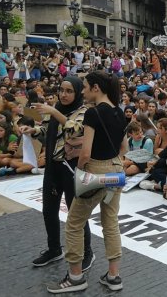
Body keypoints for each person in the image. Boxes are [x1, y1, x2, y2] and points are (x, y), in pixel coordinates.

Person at [47, 71, 127, 293]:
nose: (82, 92)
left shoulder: (93, 114)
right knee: (110, 222)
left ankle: (75, 277)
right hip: (115, 170)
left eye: (84, 87)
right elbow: (125, 148)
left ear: (96, 88)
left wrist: (80, 173)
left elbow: (85, 153)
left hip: (94, 170)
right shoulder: (119, 112)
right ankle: (114, 275)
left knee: (74, 222)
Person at [21, 77, 94, 271]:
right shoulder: (56, 109)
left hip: (72, 169)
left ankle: (87, 252)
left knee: (76, 214)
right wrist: (33, 130)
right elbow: (47, 129)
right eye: (62, 90)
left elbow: (75, 130)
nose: (64, 94)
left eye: (69, 91)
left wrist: (54, 111)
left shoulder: (84, 112)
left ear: (78, 93)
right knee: (49, 210)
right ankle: (54, 249)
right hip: (54, 167)